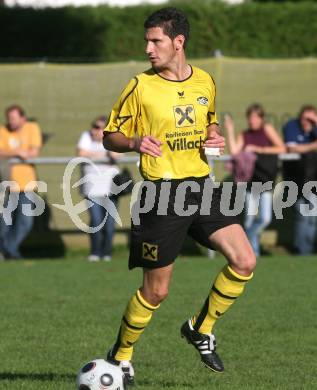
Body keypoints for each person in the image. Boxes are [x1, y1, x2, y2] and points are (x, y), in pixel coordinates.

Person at [103, 7, 256, 385]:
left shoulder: (205, 80)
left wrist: (214, 135)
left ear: (178, 42)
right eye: (147, 41)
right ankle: (120, 355)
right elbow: (110, 136)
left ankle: (200, 329)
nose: (148, 49)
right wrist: (135, 140)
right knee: (156, 292)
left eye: (155, 41)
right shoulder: (139, 86)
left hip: (201, 187)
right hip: (161, 195)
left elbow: (210, 119)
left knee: (245, 260)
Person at [224, 104, 285, 256]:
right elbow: (234, 151)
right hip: (249, 182)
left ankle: (244, 238)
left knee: (265, 218)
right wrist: (230, 130)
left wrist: (259, 150)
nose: (252, 121)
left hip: (264, 181)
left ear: (261, 118)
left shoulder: (267, 129)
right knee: (249, 220)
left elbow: (281, 148)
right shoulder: (244, 135)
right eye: (249, 117)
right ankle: (254, 253)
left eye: (255, 117)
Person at [0, 105, 42, 259]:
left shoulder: (32, 128)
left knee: (26, 222)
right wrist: (17, 152)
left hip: (27, 185)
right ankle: (10, 252)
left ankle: (9, 249)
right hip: (5, 185)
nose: (10, 121)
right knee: (4, 223)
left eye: (13, 118)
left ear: (23, 118)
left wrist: (8, 154)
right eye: (8, 118)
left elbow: (33, 153)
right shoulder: (2, 131)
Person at [77, 116, 120, 262]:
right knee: (96, 222)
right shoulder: (86, 137)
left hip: (110, 189)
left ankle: (107, 253)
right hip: (91, 189)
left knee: (109, 225)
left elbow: (116, 155)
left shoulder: (113, 139)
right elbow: (81, 153)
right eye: (94, 127)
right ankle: (95, 252)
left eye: (100, 127)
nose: (95, 130)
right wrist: (103, 154)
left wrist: (98, 153)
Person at [283, 105, 317, 254]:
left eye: (311, 119)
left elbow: (299, 148)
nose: (306, 122)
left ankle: (306, 250)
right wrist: (313, 146)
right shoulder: (291, 126)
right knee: (302, 216)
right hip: (295, 180)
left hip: (314, 181)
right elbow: (291, 149)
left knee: (313, 218)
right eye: (305, 118)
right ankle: (302, 251)